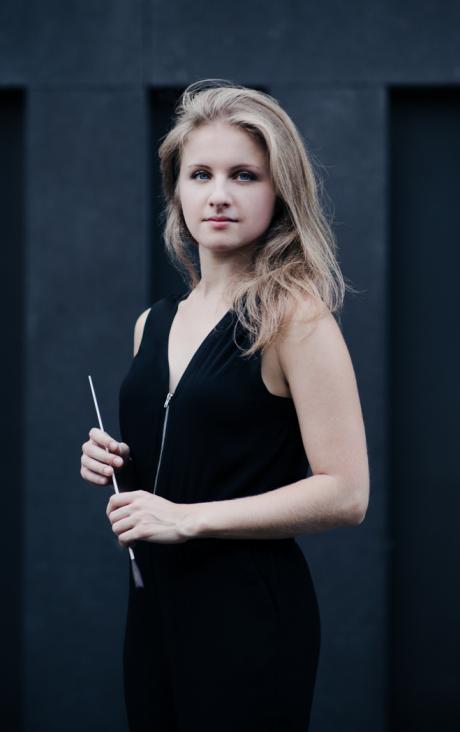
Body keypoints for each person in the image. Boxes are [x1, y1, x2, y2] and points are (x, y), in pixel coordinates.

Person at [80, 78, 370, 732]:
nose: (218, 194)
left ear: (280, 192)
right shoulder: (152, 324)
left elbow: (348, 494)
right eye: (200, 173)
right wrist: (114, 459)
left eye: (245, 175)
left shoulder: (294, 316)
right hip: (154, 607)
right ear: (175, 190)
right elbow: (189, 458)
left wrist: (186, 519)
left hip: (248, 612)